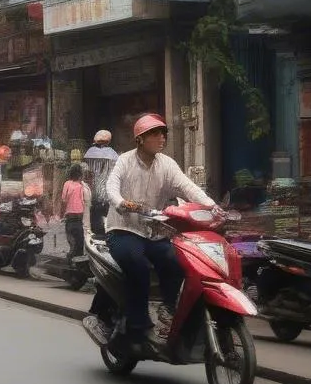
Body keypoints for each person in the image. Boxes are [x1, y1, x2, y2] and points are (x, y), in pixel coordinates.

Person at [84, 113, 215, 351]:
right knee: (138, 265)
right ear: (140, 139)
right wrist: (121, 202)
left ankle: (168, 307)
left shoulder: (167, 164)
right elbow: (112, 186)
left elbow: (188, 187)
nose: (161, 138)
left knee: (177, 260)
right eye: (155, 134)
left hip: (153, 232)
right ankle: (139, 323)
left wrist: (212, 206)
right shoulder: (124, 160)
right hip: (123, 230)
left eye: (163, 133)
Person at [84, 129, 119, 236]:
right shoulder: (113, 154)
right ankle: (107, 232)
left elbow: (86, 171)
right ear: (109, 141)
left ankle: (96, 231)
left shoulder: (89, 152)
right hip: (107, 191)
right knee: (106, 213)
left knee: (94, 212)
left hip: (93, 191)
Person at [59, 162, 89, 258]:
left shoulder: (67, 184)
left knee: (71, 239)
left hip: (70, 216)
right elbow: (85, 200)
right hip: (79, 216)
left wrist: (62, 214)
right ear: (80, 174)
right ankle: (77, 258)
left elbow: (63, 200)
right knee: (79, 240)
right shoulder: (82, 186)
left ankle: (71, 256)